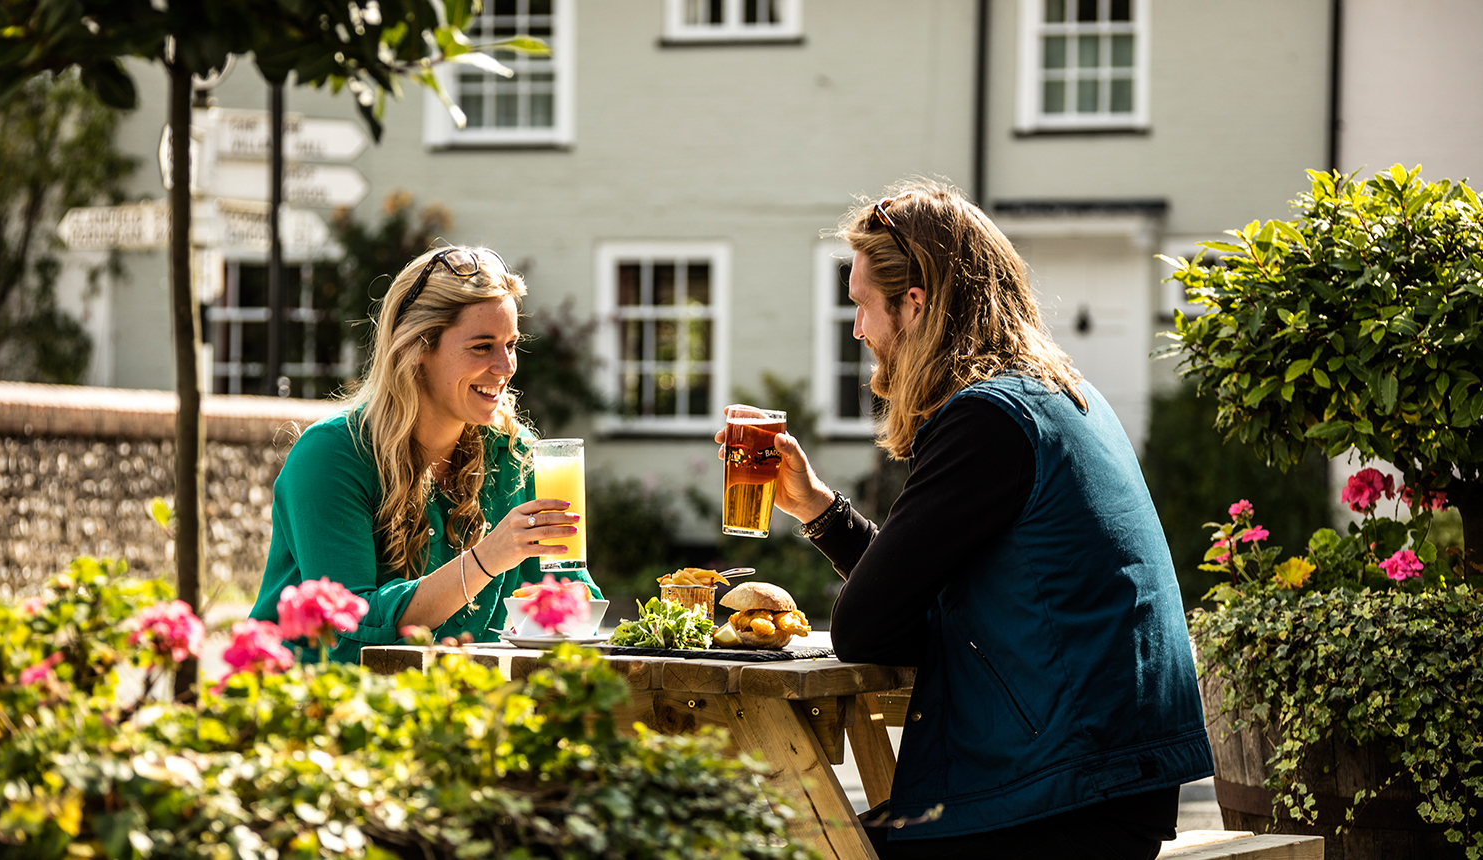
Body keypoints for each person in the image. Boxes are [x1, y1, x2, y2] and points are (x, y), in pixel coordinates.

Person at [721, 179, 1213, 858]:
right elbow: (921, 592)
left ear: (915, 303)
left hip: (1062, 794)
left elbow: (869, 623)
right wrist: (817, 507)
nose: (858, 328)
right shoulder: (1061, 395)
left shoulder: (987, 419)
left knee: (787, 847)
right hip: (1103, 776)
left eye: (863, 307)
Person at [250, 246, 600, 663]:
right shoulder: (331, 456)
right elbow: (350, 629)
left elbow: (568, 601)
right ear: (417, 349)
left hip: (452, 711)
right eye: (482, 346)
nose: (505, 366)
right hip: (316, 710)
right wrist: (489, 557)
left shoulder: (514, 454)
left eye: (511, 345)